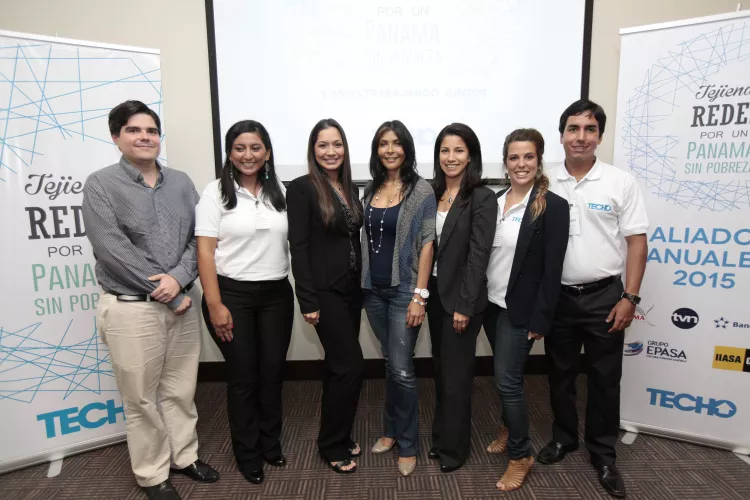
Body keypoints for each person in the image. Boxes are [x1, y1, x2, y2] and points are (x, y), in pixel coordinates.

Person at [82, 100, 219, 500]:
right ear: (116, 137)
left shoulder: (181, 182)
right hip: (132, 308)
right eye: (134, 130)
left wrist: (178, 280)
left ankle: (184, 456)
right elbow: (112, 249)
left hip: (182, 303)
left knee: (180, 389)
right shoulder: (101, 184)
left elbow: (199, 239)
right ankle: (152, 475)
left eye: (151, 131)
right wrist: (167, 294)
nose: (145, 137)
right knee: (141, 399)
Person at [537, 100, 648, 499]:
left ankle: (603, 454)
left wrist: (630, 297)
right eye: (573, 129)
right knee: (560, 374)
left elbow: (637, 242)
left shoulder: (620, 182)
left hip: (605, 296)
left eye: (589, 129)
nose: (580, 137)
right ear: (561, 135)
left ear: (599, 136)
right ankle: (564, 438)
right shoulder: (544, 180)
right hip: (559, 298)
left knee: (604, 379)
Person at [195, 120, 293, 485]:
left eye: (255, 148)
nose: (247, 155)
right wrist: (215, 305)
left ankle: (270, 443)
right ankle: (248, 453)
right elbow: (205, 253)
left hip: (276, 295)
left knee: (272, 374)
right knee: (243, 378)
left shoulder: (281, 190)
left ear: (267, 152)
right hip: (231, 295)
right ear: (229, 153)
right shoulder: (215, 193)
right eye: (240, 148)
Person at [482, 128, 569, 491]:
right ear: (505, 163)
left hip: (520, 311)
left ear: (539, 160)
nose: (521, 164)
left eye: (528, 157)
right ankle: (508, 427)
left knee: (508, 382)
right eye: (514, 157)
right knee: (506, 381)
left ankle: (521, 455)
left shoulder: (553, 206)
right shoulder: (494, 201)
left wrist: (542, 318)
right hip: (491, 304)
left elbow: (553, 269)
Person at [287, 118, 365, 474]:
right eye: (323, 145)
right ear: (313, 150)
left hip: (350, 291)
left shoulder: (349, 187)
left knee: (337, 367)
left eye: (337, 144)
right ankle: (331, 444)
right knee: (350, 366)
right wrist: (308, 299)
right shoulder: (302, 188)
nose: (330, 151)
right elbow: (299, 246)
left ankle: (340, 435)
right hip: (324, 291)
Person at [361, 120, 436, 477]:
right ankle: (391, 430)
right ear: (376, 150)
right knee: (391, 363)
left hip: (405, 290)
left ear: (407, 147)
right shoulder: (370, 188)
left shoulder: (421, 191)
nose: (390, 149)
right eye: (383, 143)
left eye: (396, 143)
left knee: (403, 369)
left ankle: (408, 443)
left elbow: (427, 243)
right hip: (372, 290)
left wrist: (420, 295)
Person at [426, 123, 497, 473]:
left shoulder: (481, 197)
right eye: (444, 150)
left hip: (462, 301)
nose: (450, 157)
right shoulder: (431, 192)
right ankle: (442, 438)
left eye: (458, 150)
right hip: (434, 297)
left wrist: (464, 306)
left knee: (456, 378)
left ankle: (455, 450)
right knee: (441, 372)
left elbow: (478, 256)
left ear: (471, 156)